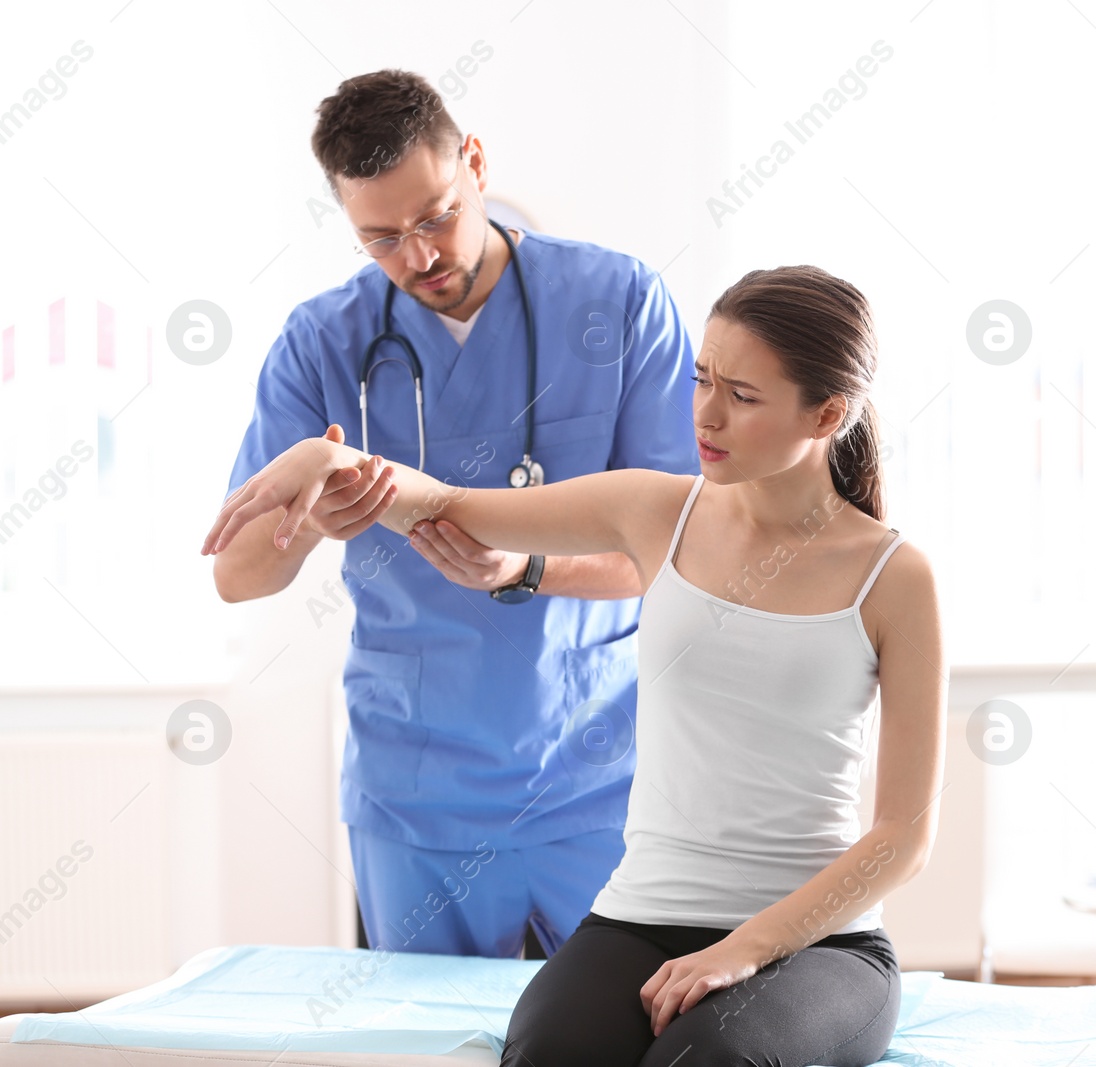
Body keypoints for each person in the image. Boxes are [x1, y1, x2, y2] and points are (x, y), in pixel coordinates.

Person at [202, 265, 946, 1066]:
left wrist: (746, 946)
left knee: (702, 1061)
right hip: (641, 915)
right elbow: (447, 503)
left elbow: (902, 837)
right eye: (702, 378)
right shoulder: (659, 510)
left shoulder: (894, 578)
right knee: (548, 1053)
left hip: (820, 945)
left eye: (743, 395)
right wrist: (321, 457)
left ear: (827, 412)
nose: (705, 412)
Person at [209, 68, 699, 960]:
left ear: (473, 161)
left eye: (434, 216)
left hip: (597, 773)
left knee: (624, 1036)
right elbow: (239, 576)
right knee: (429, 1044)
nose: (419, 256)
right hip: (417, 785)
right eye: (381, 239)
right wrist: (320, 515)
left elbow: (681, 551)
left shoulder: (619, 303)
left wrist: (529, 568)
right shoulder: (323, 342)